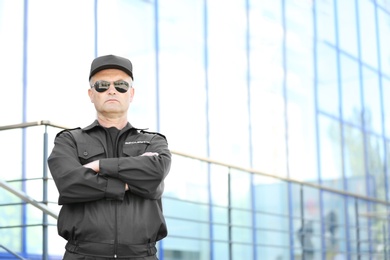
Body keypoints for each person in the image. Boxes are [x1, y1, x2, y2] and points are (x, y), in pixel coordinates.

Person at [47, 54, 172, 260]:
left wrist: (99, 165)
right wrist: (126, 184)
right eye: (102, 85)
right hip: (82, 254)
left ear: (131, 93)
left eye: (121, 85)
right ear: (91, 93)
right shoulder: (69, 140)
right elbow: (69, 184)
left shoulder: (153, 141)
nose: (112, 90)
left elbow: (156, 172)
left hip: (142, 255)